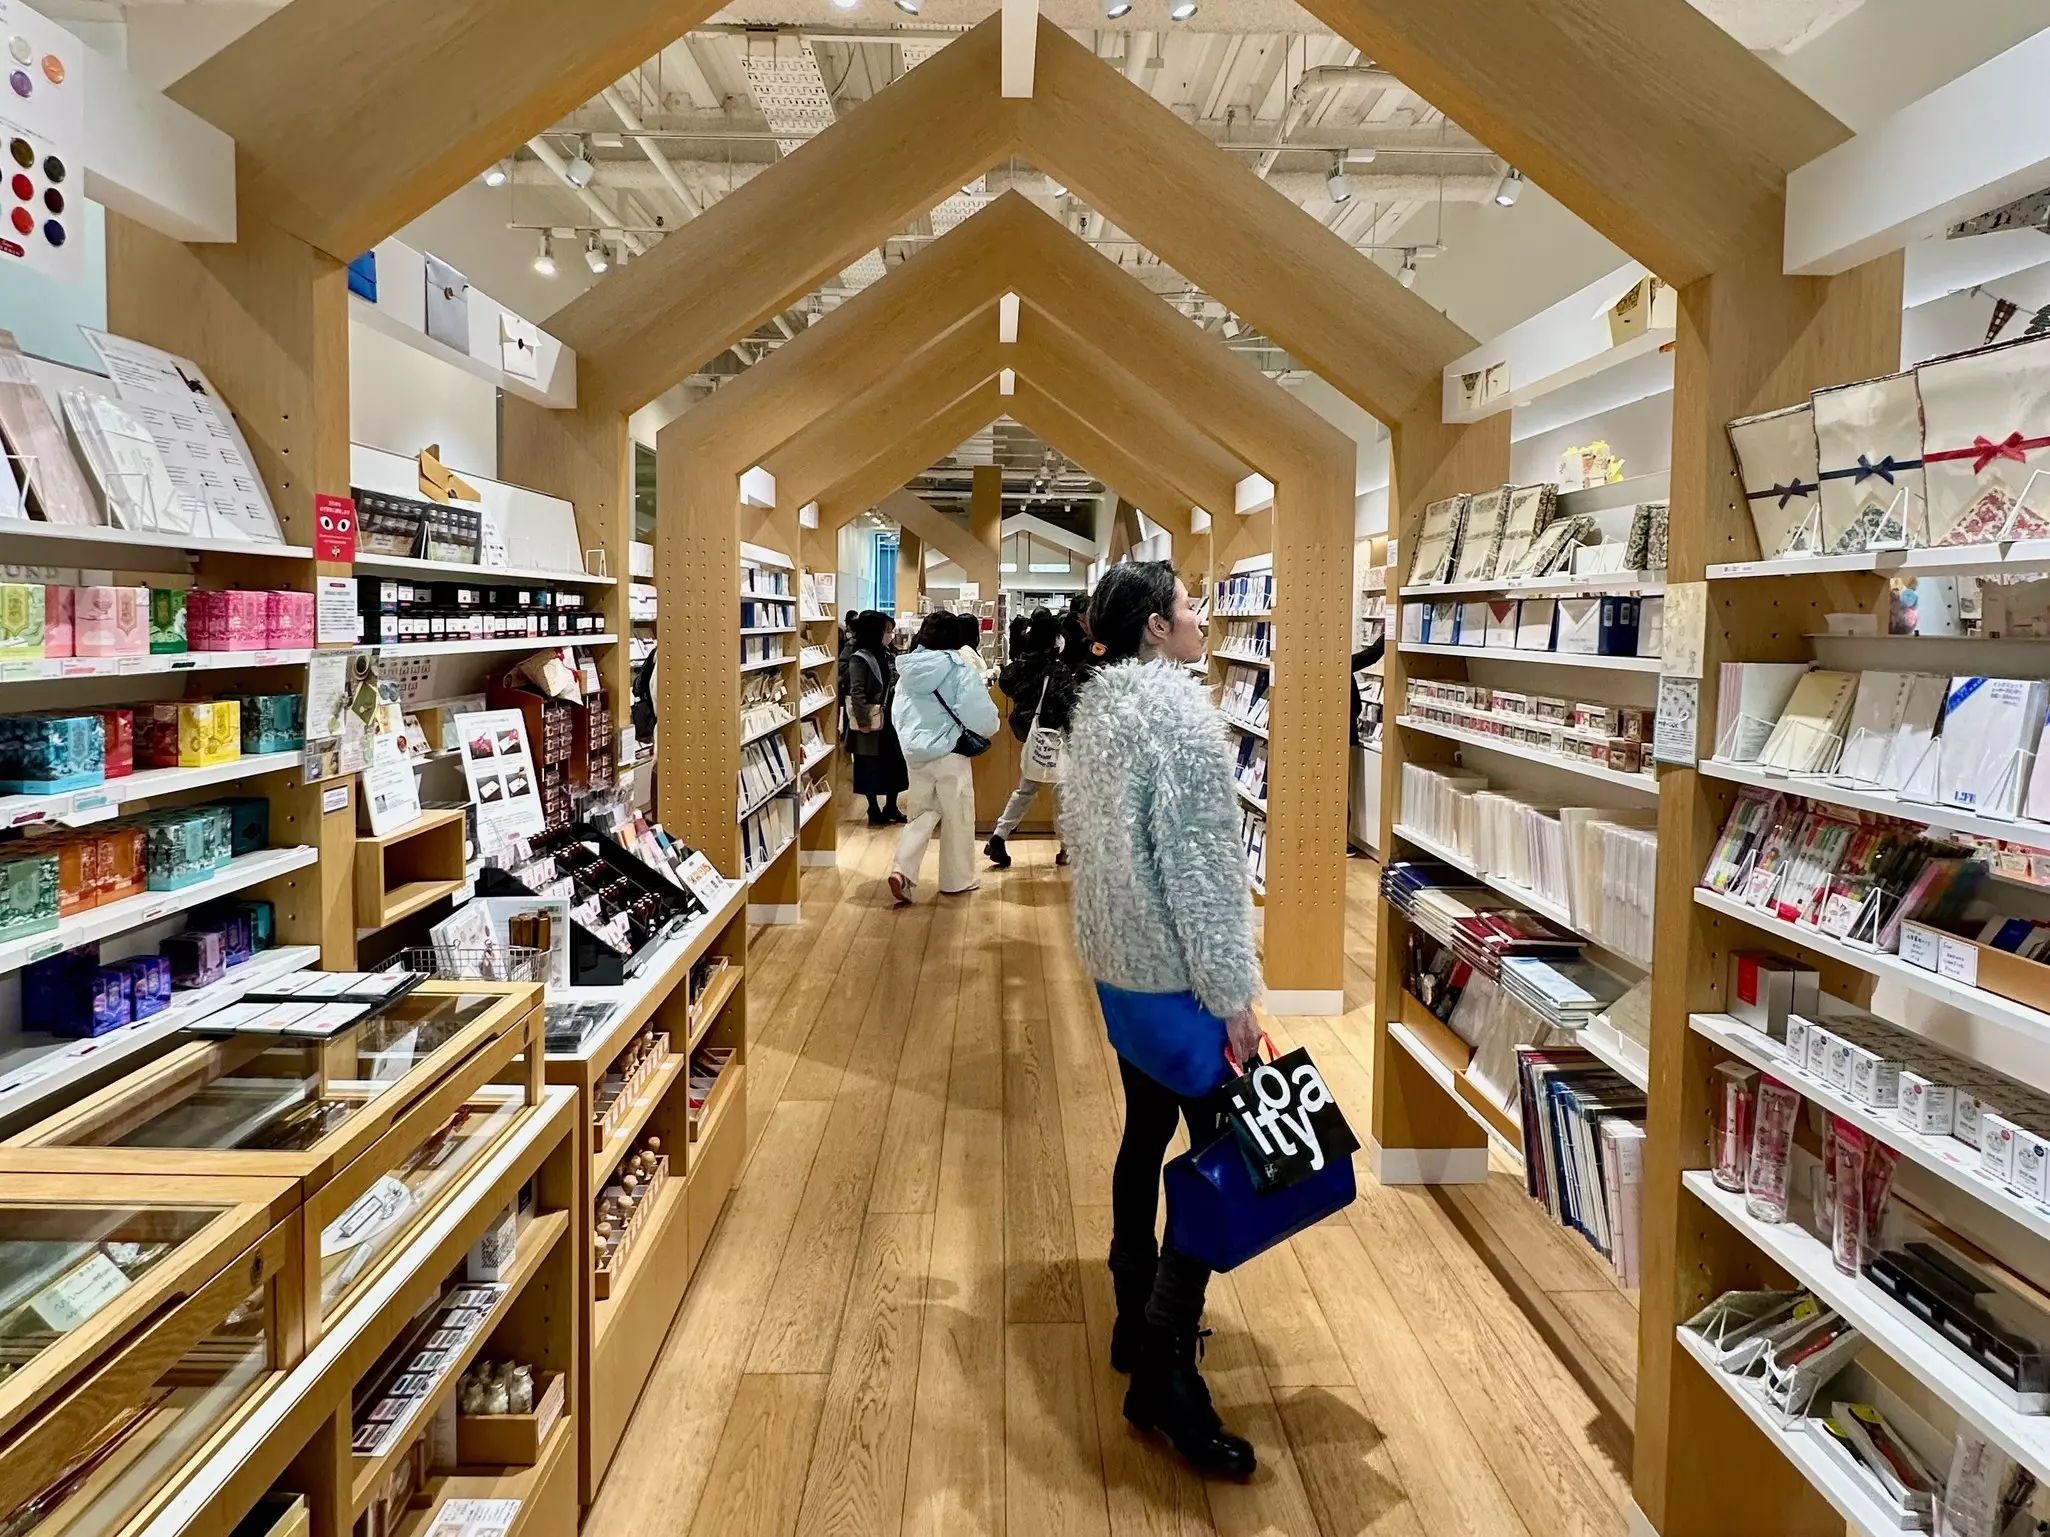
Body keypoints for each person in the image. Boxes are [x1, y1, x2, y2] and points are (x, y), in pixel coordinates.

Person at [1060, 559, 1260, 1479]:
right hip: (1178, 981)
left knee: (1145, 1135)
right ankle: (1166, 1366)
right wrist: (1233, 998)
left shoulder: (1099, 710)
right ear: (1152, 625)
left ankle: (1129, 1317)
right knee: (1218, 1158)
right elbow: (1205, 877)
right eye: (1188, 605)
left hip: (1120, 971)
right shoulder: (1180, 722)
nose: (1201, 616)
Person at [887, 611, 999, 904]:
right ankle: (956, 880)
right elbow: (982, 717)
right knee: (958, 816)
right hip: (950, 751)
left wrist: (911, 740)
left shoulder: (907, 671)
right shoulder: (958, 668)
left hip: (916, 753)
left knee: (922, 812)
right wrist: (990, 726)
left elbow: (897, 713)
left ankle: (902, 870)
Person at [984, 608, 1075, 869]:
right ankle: (1066, 848)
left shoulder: (1019, 667)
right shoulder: (1058, 670)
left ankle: (999, 836)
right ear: (1055, 639)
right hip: (1056, 738)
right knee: (1061, 794)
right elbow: (1068, 706)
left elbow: (1006, 684)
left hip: (1033, 738)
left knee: (1026, 790)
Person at [844, 609, 908, 825]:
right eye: (886, 630)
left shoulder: (887, 653)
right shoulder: (859, 658)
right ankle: (873, 808)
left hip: (890, 716)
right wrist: (863, 721)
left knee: (895, 763)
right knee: (869, 763)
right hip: (871, 718)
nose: (889, 634)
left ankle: (892, 806)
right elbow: (857, 691)